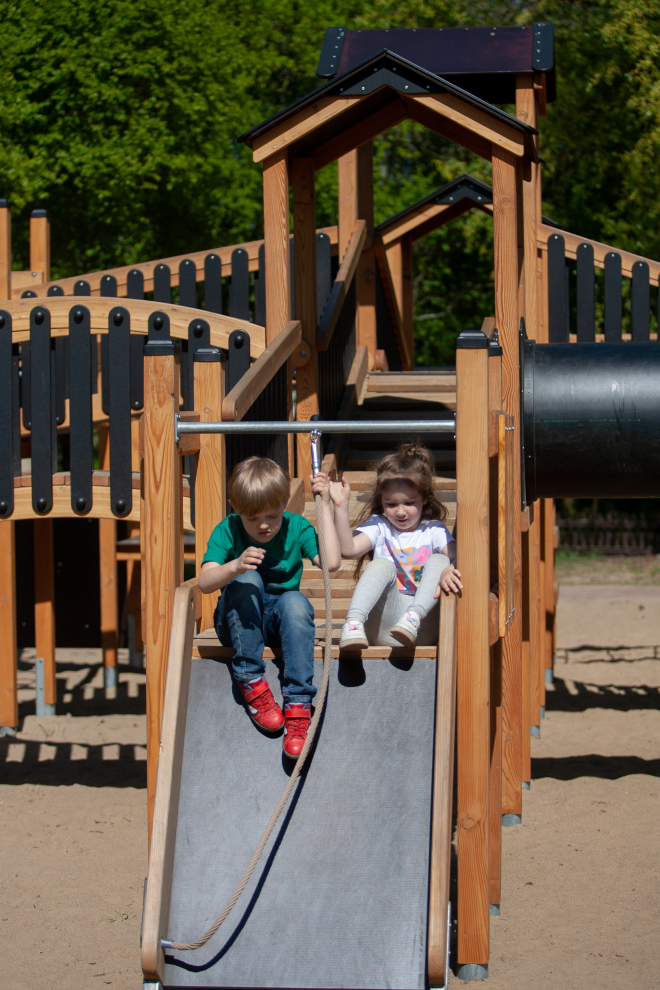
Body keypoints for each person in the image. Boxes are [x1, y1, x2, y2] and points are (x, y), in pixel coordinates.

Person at [198, 456, 340, 759]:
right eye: (253, 518)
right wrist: (234, 566)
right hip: (237, 619)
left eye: (273, 516)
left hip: (277, 620)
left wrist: (325, 504)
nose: (264, 525)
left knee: (296, 602)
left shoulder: (297, 527)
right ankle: (250, 679)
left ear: (284, 504)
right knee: (248, 578)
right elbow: (205, 582)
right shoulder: (228, 529)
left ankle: (298, 704)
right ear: (235, 508)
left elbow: (332, 563)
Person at [329, 442, 462, 650]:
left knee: (441, 560)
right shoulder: (379, 526)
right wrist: (340, 505)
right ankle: (354, 623)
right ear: (381, 501)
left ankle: (413, 616)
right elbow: (348, 549)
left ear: (424, 499)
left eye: (409, 503)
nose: (400, 512)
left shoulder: (433, 530)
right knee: (381, 564)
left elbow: (462, 558)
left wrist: (450, 568)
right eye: (391, 504)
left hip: (424, 625)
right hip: (383, 625)